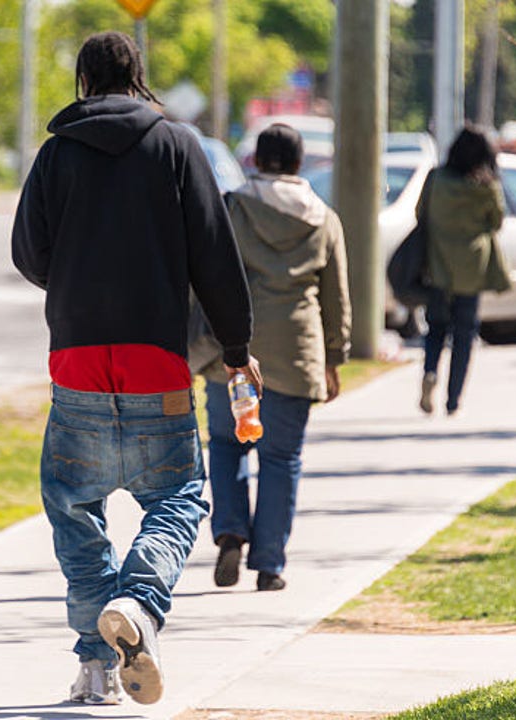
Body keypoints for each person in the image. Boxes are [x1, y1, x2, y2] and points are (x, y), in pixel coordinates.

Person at [11, 31, 258, 707]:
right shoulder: (177, 147)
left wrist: (72, 282)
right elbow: (214, 255)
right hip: (157, 358)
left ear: (83, 82)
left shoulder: (57, 153)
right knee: (178, 497)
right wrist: (236, 349)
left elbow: (28, 251)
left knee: (73, 506)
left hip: (78, 358)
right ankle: (140, 605)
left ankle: (95, 672)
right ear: (139, 77)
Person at [197, 123, 352, 593]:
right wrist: (332, 358)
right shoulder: (324, 219)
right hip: (295, 351)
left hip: (234, 352)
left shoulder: (232, 208)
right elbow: (335, 297)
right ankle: (270, 565)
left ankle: (230, 533)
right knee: (281, 458)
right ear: (300, 164)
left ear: (256, 161)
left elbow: (210, 279)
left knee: (227, 445)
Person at [418, 124, 510, 416]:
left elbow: (421, 213)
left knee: (435, 329)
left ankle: (431, 370)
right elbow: (496, 222)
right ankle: (453, 399)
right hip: (472, 269)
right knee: (464, 334)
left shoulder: (437, 179)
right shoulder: (486, 187)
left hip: (437, 266)